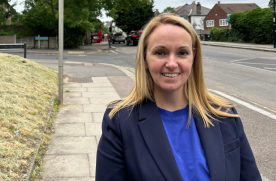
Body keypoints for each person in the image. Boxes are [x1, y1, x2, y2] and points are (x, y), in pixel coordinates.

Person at [96, 14, 261, 181]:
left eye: (182, 53)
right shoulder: (120, 122)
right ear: (145, 58)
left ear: (193, 57)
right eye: (160, 53)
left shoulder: (224, 115)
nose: (172, 63)